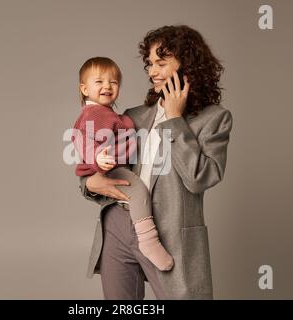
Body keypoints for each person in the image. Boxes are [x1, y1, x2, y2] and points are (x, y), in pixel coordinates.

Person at [79, 25, 233, 300]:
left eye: (161, 63)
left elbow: (200, 178)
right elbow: (98, 164)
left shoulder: (214, 119)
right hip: (117, 226)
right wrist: (91, 182)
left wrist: (175, 119)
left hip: (171, 232)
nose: (152, 72)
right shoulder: (133, 116)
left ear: (188, 64)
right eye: (150, 64)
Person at [72, 57, 174, 271]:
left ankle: (146, 241)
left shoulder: (107, 113)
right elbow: (83, 140)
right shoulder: (94, 113)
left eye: (114, 82)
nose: (107, 86)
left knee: (137, 191)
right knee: (138, 191)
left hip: (112, 166)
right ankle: (148, 241)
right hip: (108, 168)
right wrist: (97, 158)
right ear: (84, 88)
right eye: (99, 82)